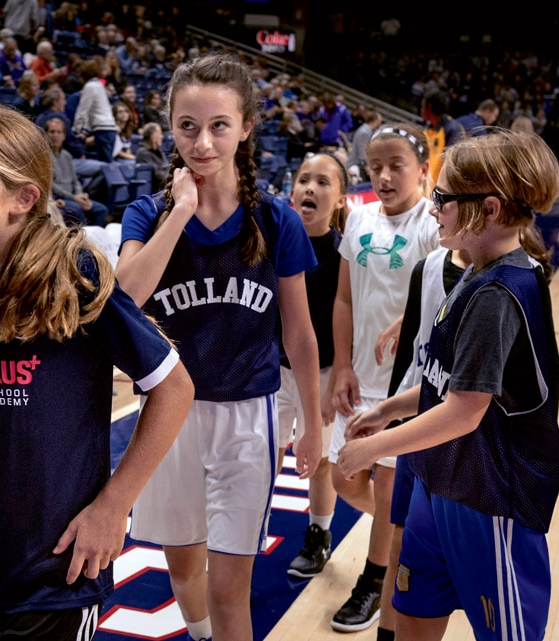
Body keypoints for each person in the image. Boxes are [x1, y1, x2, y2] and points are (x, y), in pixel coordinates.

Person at [0, 103, 193, 640]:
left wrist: (114, 507)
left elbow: (174, 387)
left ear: (23, 198)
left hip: (58, 570)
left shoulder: (74, 273)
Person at [115, 54, 322, 641]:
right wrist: (180, 212)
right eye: (187, 126)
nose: (202, 142)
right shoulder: (147, 212)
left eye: (219, 126)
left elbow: (299, 333)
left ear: (246, 127)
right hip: (168, 414)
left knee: (231, 587)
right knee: (183, 567)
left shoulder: (274, 219)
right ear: (170, 126)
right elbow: (125, 296)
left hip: (248, 415)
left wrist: (312, 422)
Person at [338, 129, 559, 641]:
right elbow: (447, 383)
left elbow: (464, 409)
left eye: (442, 198)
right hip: (441, 479)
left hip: (491, 498)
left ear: (486, 209)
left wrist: (370, 448)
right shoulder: (473, 272)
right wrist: (389, 407)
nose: (434, 208)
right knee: (415, 615)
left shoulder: (500, 293)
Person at [329, 123, 440, 633]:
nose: (385, 175)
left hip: (406, 385)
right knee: (344, 478)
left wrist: (411, 317)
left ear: (422, 169)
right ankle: (403, 544)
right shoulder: (359, 220)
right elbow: (345, 298)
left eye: (397, 165)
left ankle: (375, 582)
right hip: (360, 378)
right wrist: (343, 365)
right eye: (376, 166)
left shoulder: (433, 224)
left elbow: (448, 293)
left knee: (391, 495)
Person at [279, 152, 349, 580]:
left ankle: (319, 534)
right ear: (291, 191)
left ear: (341, 199)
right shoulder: (273, 243)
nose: (310, 187)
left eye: (323, 182)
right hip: (272, 371)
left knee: (320, 461)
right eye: (304, 179)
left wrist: (332, 383)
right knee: (258, 458)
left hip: (322, 372)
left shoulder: (345, 254)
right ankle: (244, 534)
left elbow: (350, 324)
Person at [45, 116, 108, 226]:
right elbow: (51, 186)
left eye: (59, 132)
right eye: (52, 132)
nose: (55, 135)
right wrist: (74, 198)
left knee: (101, 210)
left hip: (74, 197)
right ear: (46, 134)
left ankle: (96, 238)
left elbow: (75, 180)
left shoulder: (67, 156)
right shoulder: (44, 157)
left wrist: (81, 195)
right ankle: (83, 241)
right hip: (60, 199)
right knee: (77, 209)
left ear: (64, 136)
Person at [73, 58, 117, 163]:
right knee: (106, 162)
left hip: (103, 130)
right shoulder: (99, 85)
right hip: (110, 129)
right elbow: (93, 112)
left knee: (105, 165)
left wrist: (77, 130)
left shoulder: (90, 86)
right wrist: (85, 131)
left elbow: (83, 110)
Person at [134, 122, 168, 192]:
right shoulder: (142, 153)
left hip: (166, 186)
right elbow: (157, 175)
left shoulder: (159, 152)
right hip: (156, 191)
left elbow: (167, 168)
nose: (162, 136)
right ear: (153, 137)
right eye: (160, 134)